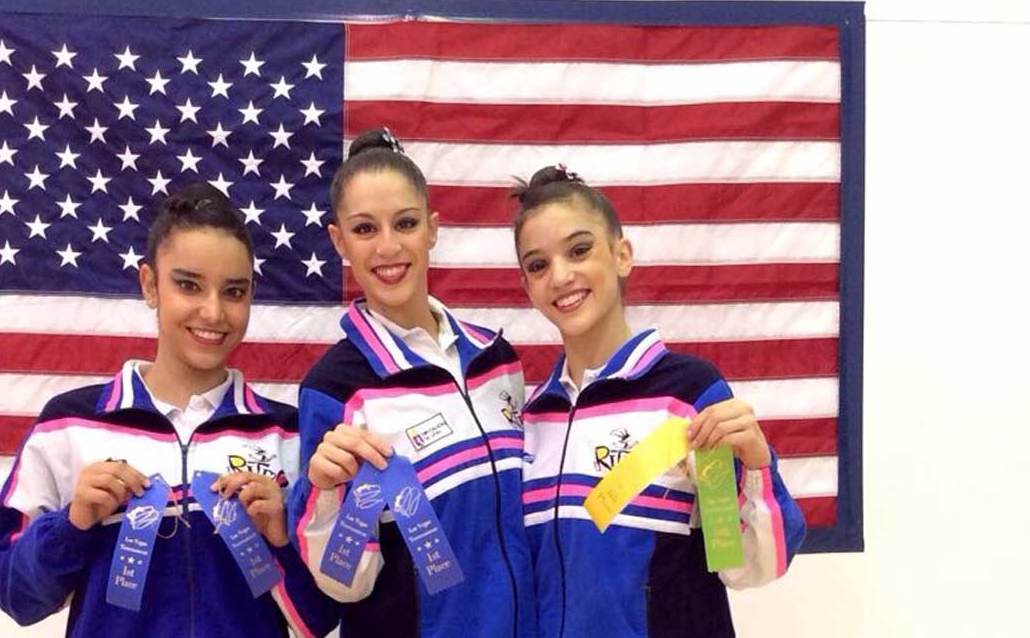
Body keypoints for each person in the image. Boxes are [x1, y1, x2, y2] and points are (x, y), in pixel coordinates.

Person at [0, 183, 338, 638]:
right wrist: (72, 523)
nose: (213, 312)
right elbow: (15, 596)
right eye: (188, 285)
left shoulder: (285, 435)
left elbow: (319, 619)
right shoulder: (68, 424)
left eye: (234, 291)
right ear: (150, 284)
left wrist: (280, 539)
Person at [511, 166, 807, 638]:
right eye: (538, 264)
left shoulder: (688, 397)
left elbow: (749, 566)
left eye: (579, 250)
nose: (561, 276)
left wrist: (755, 466)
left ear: (621, 254)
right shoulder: (531, 423)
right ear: (526, 288)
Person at [287, 129, 537, 638]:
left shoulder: (498, 360)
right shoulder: (334, 389)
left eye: (405, 223)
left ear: (432, 228)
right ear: (338, 241)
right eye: (364, 229)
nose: (388, 246)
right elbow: (341, 582)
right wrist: (327, 492)